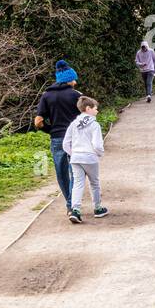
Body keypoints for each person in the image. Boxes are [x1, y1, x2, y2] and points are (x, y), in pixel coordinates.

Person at [34, 60, 83, 211]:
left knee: (61, 173)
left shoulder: (46, 95)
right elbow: (86, 118)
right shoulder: (77, 96)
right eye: (74, 79)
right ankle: (72, 205)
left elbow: (38, 122)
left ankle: (70, 203)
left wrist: (50, 130)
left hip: (57, 139)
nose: (75, 82)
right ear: (70, 79)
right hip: (75, 139)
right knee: (75, 171)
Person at [62, 96, 107, 223]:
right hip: (89, 158)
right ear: (88, 108)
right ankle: (98, 208)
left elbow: (65, 143)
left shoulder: (73, 124)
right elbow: (97, 145)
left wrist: (74, 153)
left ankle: (75, 210)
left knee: (77, 184)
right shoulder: (94, 125)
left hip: (75, 158)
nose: (97, 111)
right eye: (95, 109)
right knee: (94, 183)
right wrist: (99, 154)